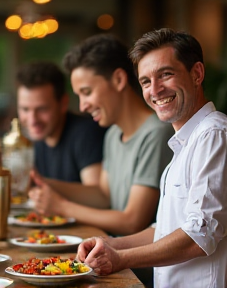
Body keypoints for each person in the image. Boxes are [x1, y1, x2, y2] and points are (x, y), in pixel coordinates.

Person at [76, 28, 227, 288]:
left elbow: (200, 233)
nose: (155, 90)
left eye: (166, 75)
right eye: (146, 81)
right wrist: (110, 244)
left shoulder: (214, 134)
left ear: (197, 74)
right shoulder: (184, 142)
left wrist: (120, 258)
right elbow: (166, 229)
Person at [28, 34, 173, 237]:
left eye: (87, 92)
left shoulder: (156, 133)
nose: (82, 106)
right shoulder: (113, 134)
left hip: (135, 265)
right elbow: (103, 196)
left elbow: (133, 221)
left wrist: (62, 207)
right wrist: (45, 183)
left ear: (119, 80)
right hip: (110, 255)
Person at [16, 61, 107, 185]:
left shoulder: (87, 134)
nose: (32, 120)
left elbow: (99, 196)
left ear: (63, 103)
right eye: (25, 109)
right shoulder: (36, 139)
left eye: (42, 109)